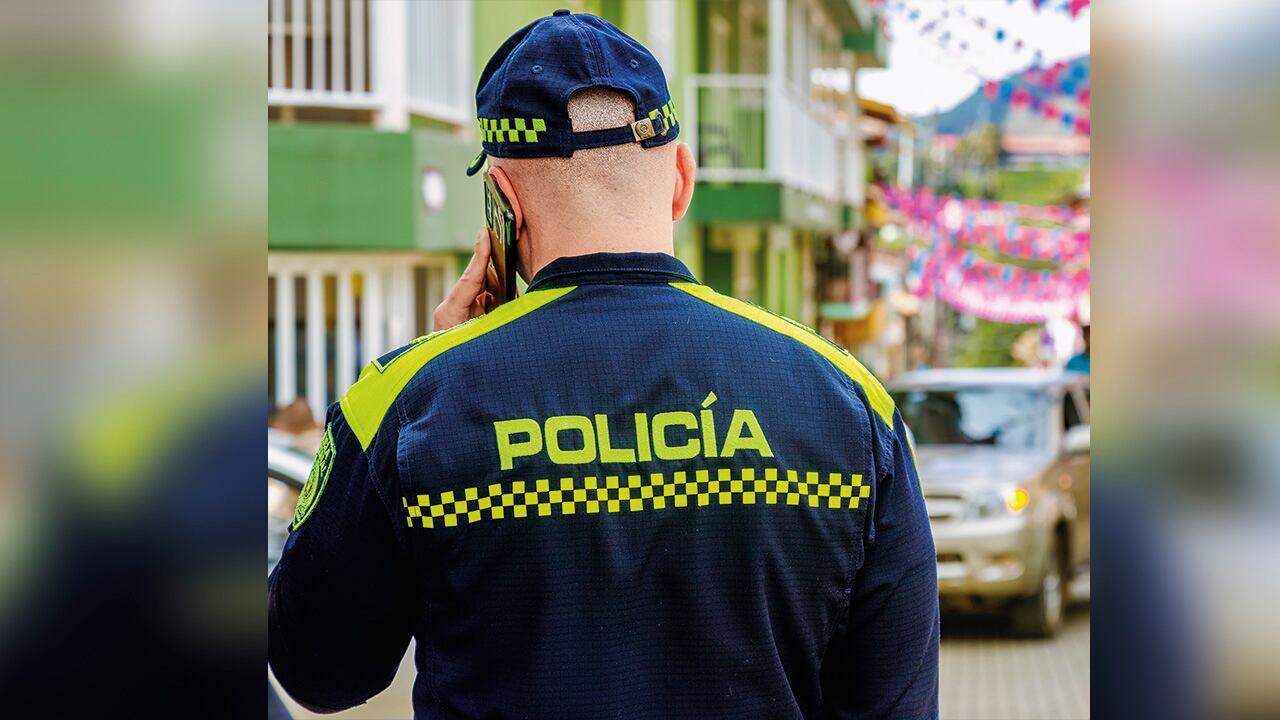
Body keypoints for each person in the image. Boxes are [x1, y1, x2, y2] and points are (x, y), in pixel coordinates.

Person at [269, 10, 938, 719]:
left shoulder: (405, 407)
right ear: (682, 176)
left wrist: (446, 367)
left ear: (504, 201)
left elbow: (317, 671)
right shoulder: (849, 404)